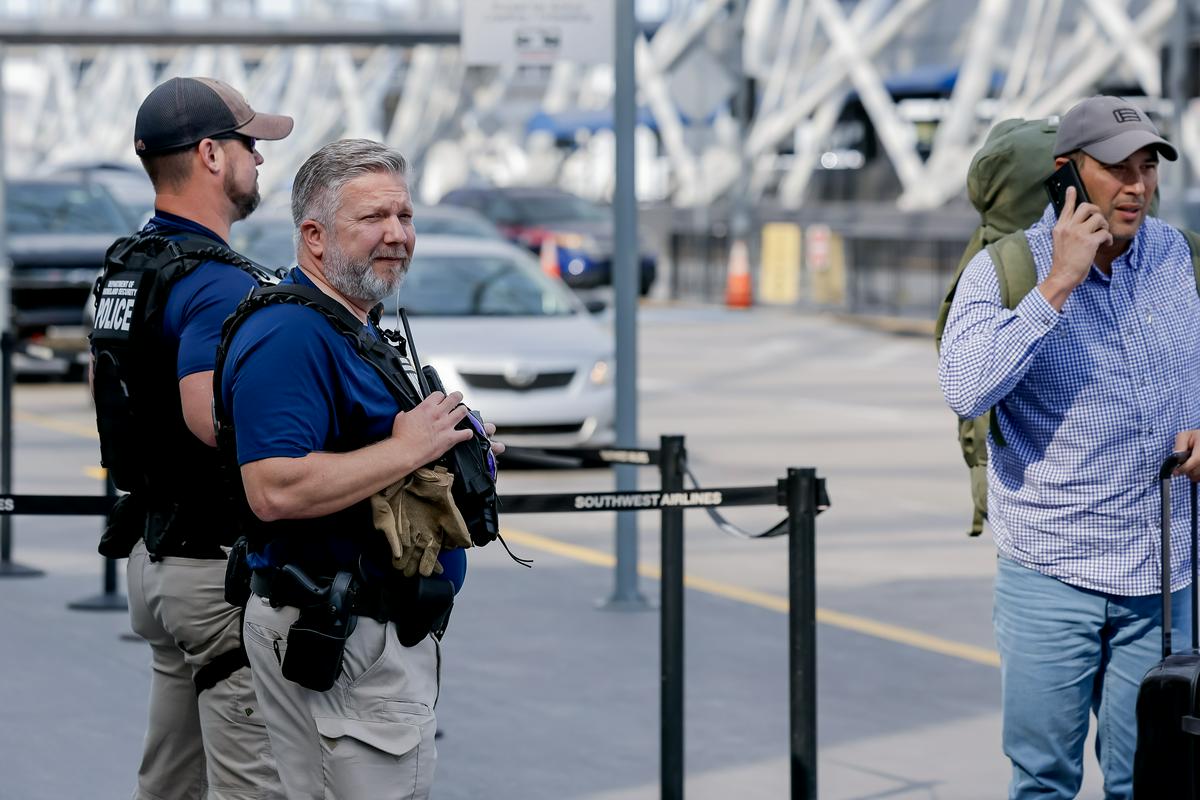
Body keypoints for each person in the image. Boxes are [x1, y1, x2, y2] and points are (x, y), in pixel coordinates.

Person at [215, 138, 502, 800]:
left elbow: (365, 446)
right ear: (314, 236)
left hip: (362, 637)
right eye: (374, 219)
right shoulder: (292, 336)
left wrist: (449, 446)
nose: (398, 235)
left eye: (405, 217)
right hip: (345, 640)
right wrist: (407, 448)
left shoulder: (347, 325)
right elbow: (273, 489)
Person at [938, 95, 1200, 799]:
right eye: (1116, 168)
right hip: (1053, 575)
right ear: (1067, 175)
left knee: (1150, 777)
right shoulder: (1005, 270)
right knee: (1046, 782)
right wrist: (1058, 284)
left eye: (1147, 166)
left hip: (1162, 574)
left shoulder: (1177, 254)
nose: (1137, 185)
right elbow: (965, 388)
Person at [91, 76, 292, 800]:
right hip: (214, 570)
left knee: (171, 780)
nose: (261, 161)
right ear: (211, 154)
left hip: (155, 558)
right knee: (254, 785)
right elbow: (209, 418)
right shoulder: (216, 283)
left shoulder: (129, 263)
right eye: (250, 145)